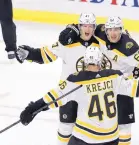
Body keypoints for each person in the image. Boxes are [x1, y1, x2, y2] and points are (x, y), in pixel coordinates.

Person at [19, 46, 139, 145]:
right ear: (101, 62)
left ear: (84, 62)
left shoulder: (75, 81)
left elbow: (53, 98)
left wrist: (33, 109)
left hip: (85, 139)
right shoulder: (114, 77)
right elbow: (138, 88)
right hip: (111, 139)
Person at [57, 16, 139, 145]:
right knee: (100, 125)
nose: (113, 33)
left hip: (122, 86)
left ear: (121, 30)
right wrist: (73, 28)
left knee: (124, 127)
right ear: (106, 30)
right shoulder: (99, 32)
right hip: (105, 86)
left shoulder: (129, 46)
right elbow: (86, 26)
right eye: (110, 29)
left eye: (116, 29)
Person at [15, 13, 110, 145]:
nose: (87, 29)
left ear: (94, 28)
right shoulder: (67, 43)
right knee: (66, 129)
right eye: (84, 25)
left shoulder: (100, 45)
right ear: (79, 26)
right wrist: (30, 54)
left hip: (91, 95)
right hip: (67, 92)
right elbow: (46, 55)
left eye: (90, 26)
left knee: (91, 132)